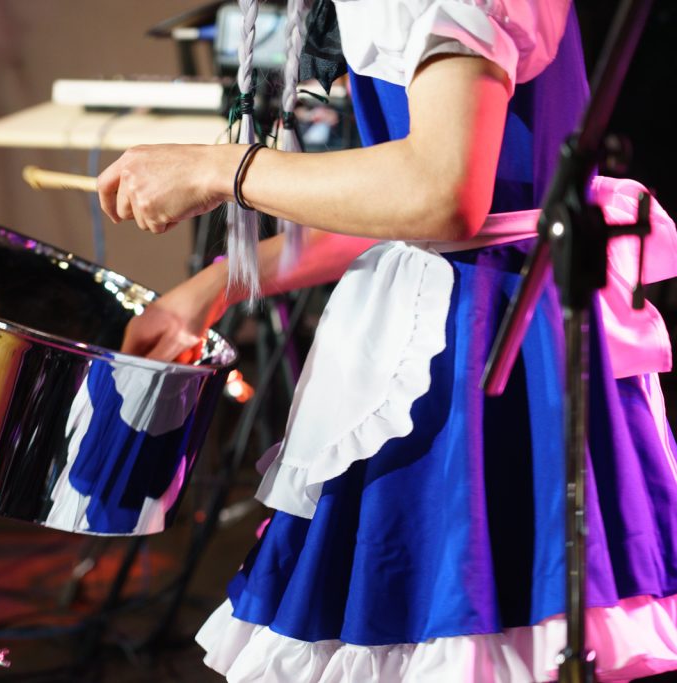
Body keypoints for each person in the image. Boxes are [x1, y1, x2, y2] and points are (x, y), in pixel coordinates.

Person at [97, 0, 677, 680]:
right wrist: (216, 285)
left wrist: (216, 169)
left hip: (474, 357)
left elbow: (441, 191)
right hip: (512, 329)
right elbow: (427, 201)